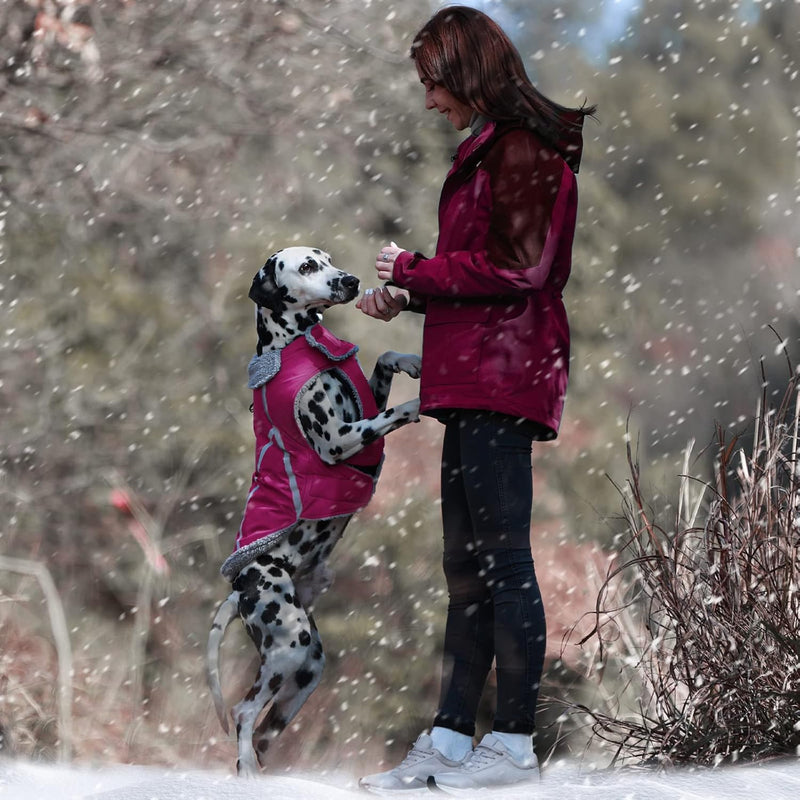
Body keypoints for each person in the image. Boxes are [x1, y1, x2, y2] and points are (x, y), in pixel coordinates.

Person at [356, 5, 595, 793]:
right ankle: (453, 740)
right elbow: (484, 273)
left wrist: (418, 273)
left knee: (501, 564)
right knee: (467, 568)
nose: (429, 101)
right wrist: (411, 294)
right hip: (475, 375)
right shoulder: (494, 150)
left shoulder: (521, 151)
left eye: (433, 84)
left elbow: (520, 270)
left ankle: (514, 743)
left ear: (465, 75)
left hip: (504, 374)